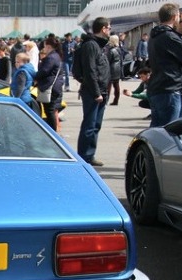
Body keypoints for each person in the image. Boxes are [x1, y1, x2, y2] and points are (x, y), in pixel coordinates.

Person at [76, 17, 111, 167]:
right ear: (103, 29)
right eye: (108, 28)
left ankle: (90, 154)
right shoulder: (91, 45)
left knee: (96, 125)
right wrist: (96, 92)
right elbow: (90, 70)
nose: (110, 31)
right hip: (93, 92)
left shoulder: (98, 45)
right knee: (89, 125)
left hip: (101, 90)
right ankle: (84, 156)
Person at [35, 36, 64, 131]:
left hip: (50, 87)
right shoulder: (56, 56)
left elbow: (44, 71)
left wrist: (34, 76)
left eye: (44, 46)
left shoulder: (51, 57)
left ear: (48, 46)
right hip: (54, 86)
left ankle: (52, 132)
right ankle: (53, 130)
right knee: (50, 110)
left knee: (49, 110)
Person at [106, 35, 122, 106]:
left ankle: (105, 100)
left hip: (112, 67)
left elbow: (108, 60)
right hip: (118, 67)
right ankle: (116, 100)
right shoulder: (119, 49)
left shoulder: (111, 50)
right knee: (116, 85)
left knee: (108, 85)